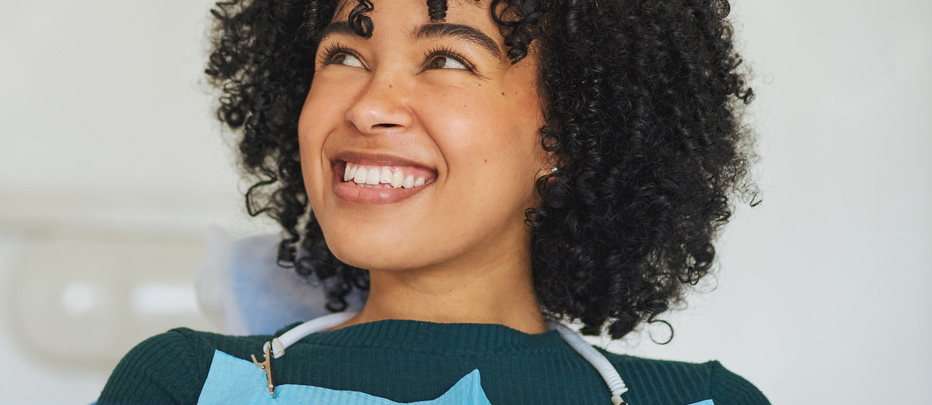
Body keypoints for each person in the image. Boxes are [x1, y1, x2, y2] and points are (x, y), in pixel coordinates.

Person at [101, 0, 761, 403]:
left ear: (569, 132)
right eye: (346, 56)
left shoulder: (705, 403)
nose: (371, 106)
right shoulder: (180, 385)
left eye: (446, 59)